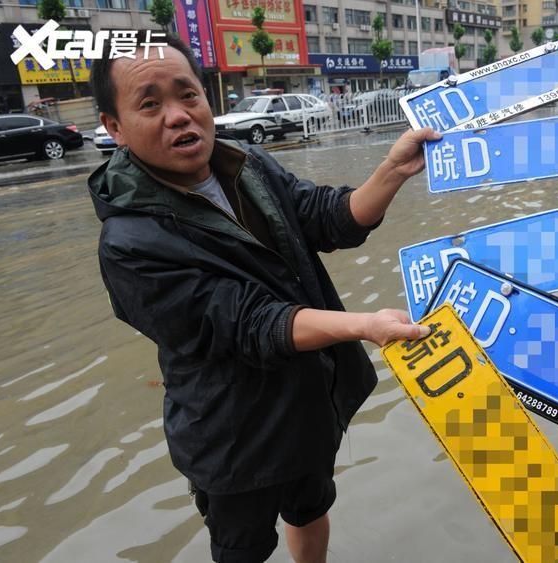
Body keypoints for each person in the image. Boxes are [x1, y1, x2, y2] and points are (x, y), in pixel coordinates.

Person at [88, 35, 440, 563]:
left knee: (311, 507)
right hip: (231, 435)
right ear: (114, 127)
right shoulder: (128, 244)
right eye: (150, 104)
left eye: (188, 95)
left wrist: (392, 170)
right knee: (242, 548)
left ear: (208, 99)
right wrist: (364, 324)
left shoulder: (247, 164)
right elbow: (250, 322)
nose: (178, 116)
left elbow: (324, 216)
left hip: (307, 402)